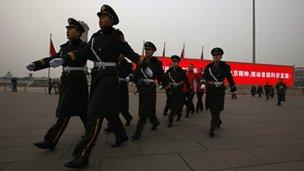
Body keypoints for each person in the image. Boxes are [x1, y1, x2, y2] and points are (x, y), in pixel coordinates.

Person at [49, 5, 140, 168]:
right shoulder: (95, 37)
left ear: (111, 20)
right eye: (99, 17)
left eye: (104, 17)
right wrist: (65, 59)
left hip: (109, 78)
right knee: (110, 112)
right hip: (98, 78)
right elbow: (83, 52)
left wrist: (144, 64)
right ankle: (121, 135)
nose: (100, 20)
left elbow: (131, 54)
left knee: (94, 114)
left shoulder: (116, 35)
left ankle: (83, 155)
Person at [26, 18, 89, 151]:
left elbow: (77, 55)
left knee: (65, 111)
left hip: (76, 81)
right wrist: (36, 65)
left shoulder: (83, 46)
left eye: (71, 29)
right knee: (83, 110)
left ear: (79, 32)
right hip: (67, 81)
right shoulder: (64, 47)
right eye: (67, 29)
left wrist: (64, 58)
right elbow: (51, 59)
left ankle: (50, 140)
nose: (68, 31)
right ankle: (92, 131)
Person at [128, 41, 168, 140]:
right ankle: (155, 122)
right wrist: (130, 77)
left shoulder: (157, 62)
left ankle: (138, 132)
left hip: (150, 87)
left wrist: (166, 84)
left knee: (143, 110)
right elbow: (137, 72)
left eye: (149, 50)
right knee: (148, 109)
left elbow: (161, 74)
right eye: (146, 49)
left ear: (153, 51)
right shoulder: (141, 61)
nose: (147, 51)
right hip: (142, 88)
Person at [200, 47, 236, 137]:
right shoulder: (208, 67)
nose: (216, 57)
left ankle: (212, 128)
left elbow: (229, 77)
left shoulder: (225, 66)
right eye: (214, 55)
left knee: (217, 108)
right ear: (212, 56)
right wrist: (203, 83)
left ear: (221, 56)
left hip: (220, 90)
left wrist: (233, 87)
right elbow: (204, 76)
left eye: (218, 55)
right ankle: (218, 121)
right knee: (212, 109)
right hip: (211, 89)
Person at [165, 55, 190, 127]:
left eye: (175, 61)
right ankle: (179, 114)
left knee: (174, 105)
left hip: (178, 90)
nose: (173, 63)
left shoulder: (181, 71)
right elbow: (165, 79)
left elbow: (185, 80)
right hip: (170, 90)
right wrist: (162, 84)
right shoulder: (168, 71)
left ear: (178, 62)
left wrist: (189, 87)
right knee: (170, 104)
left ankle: (170, 120)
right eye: (172, 61)